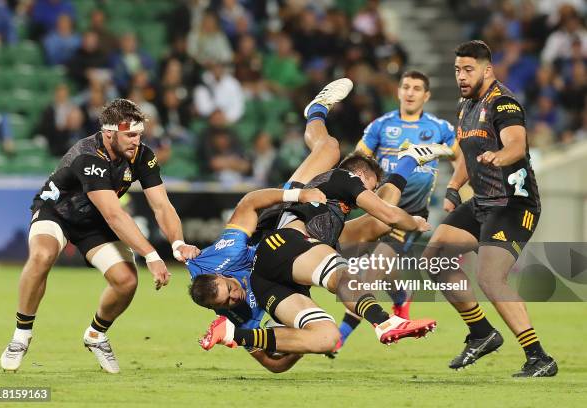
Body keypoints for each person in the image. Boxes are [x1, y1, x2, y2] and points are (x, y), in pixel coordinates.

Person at [198, 79, 441, 359]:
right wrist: (415, 223)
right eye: (371, 186)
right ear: (360, 177)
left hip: (273, 272)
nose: (371, 193)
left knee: (322, 340)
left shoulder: (332, 217)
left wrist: (408, 161)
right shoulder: (345, 179)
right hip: (285, 236)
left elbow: (380, 222)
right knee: (330, 150)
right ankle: (384, 321)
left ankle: (229, 334)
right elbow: (386, 213)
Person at [0, 99, 200, 374]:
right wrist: (152, 256)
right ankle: (21, 335)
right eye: (130, 135)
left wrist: (177, 242)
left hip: (94, 222)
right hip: (57, 213)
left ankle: (96, 334)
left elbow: (162, 205)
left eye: (139, 134)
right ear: (109, 133)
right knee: (42, 255)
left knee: (126, 282)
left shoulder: (142, 154)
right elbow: (114, 215)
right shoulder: (88, 155)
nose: (136, 141)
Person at [422, 40, 557, 377]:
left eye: (468, 70)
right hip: (482, 202)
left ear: (487, 69)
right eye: (457, 70)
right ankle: (482, 333)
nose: (461, 77)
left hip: (514, 205)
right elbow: (468, 154)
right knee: (434, 257)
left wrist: (500, 155)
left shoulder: (504, 104)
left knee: (490, 278)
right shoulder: (465, 106)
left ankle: (539, 357)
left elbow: (516, 144)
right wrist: (453, 188)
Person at [334, 70, 458, 352]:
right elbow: (358, 160)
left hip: (410, 215)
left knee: (374, 269)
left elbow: (460, 159)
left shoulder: (439, 127)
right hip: (377, 210)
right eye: (406, 87)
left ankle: (338, 337)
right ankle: (402, 296)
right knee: (381, 267)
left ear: (426, 95)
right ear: (399, 92)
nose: (411, 92)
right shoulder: (381, 125)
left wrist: (455, 189)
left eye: (417, 88)